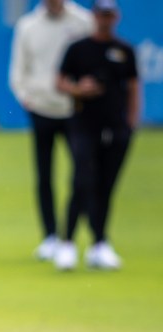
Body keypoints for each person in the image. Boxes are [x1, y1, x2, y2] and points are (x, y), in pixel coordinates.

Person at [54, 0, 139, 272]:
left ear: (116, 16)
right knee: (82, 180)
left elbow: (134, 87)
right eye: (101, 14)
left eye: (109, 14)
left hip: (115, 126)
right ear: (94, 15)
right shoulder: (79, 48)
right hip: (83, 124)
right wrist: (78, 89)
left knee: (106, 185)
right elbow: (60, 81)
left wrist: (131, 123)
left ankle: (99, 243)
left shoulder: (124, 50)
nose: (105, 19)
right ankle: (67, 242)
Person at [9, 0, 93, 263]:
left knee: (83, 174)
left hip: (75, 109)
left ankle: (91, 236)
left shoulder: (83, 20)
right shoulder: (28, 25)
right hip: (41, 108)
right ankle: (50, 237)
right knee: (44, 175)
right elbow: (18, 68)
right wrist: (26, 96)